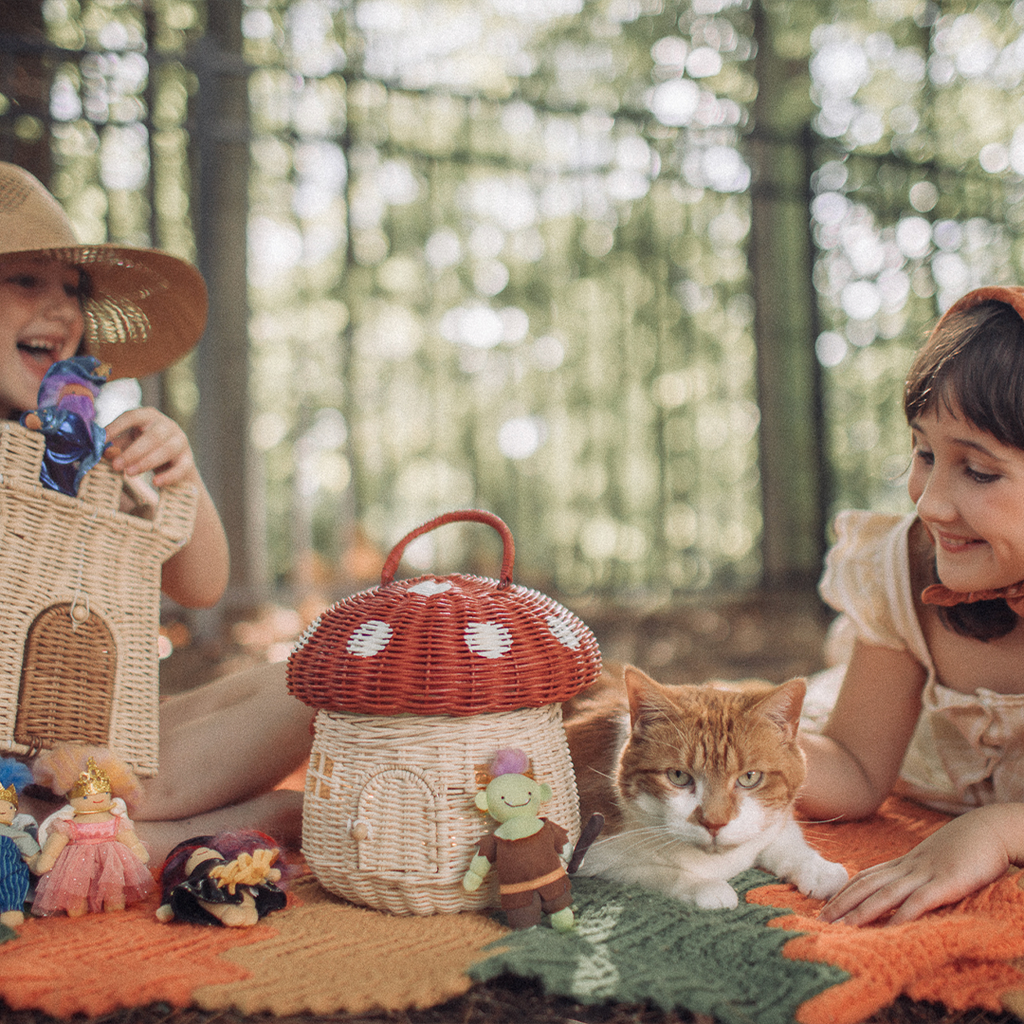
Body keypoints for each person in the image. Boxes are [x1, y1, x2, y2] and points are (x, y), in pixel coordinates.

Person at [0, 161, 313, 860]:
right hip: (11, 773)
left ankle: (97, 830)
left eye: (74, 290)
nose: (62, 311)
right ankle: (137, 838)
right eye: (25, 280)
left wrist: (181, 476)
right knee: (278, 805)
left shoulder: (77, 448)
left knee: (315, 683)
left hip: (97, 747)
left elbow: (200, 584)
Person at [799, 285, 1024, 926]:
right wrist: (727, 736)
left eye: (978, 471)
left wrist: (999, 831)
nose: (928, 502)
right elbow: (856, 770)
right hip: (904, 763)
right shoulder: (904, 566)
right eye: (924, 453)